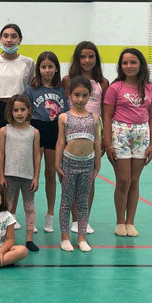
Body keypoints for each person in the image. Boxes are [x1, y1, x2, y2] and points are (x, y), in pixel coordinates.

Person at [103, 48, 152, 238]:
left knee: (134, 180)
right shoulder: (115, 88)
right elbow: (106, 116)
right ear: (120, 66)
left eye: (133, 62)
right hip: (121, 133)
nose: (129, 66)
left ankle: (130, 222)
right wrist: (108, 143)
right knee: (123, 180)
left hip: (141, 135)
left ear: (140, 64)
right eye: (125, 63)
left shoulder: (149, 88)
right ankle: (120, 221)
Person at [61, 41, 109, 234]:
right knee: (71, 180)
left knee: (89, 179)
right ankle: (74, 219)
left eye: (91, 56)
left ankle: (84, 218)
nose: (87, 60)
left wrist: (105, 138)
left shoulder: (102, 82)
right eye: (83, 57)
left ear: (96, 59)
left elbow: (105, 112)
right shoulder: (68, 79)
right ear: (77, 59)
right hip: (71, 135)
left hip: (92, 136)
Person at [56, 76, 101, 252]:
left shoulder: (94, 118)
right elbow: (60, 142)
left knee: (83, 201)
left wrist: (97, 164)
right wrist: (57, 164)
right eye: (76, 95)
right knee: (66, 201)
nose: (80, 99)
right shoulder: (64, 117)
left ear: (90, 96)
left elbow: (97, 142)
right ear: (69, 95)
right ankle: (64, 237)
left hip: (87, 163)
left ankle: (82, 237)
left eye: (84, 95)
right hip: (69, 163)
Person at [24, 51, 67, 233]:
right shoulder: (31, 89)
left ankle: (50, 214)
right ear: (38, 69)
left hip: (55, 130)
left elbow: (66, 113)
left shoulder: (61, 89)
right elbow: (24, 112)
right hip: (36, 129)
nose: (47, 70)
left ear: (56, 69)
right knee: (32, 173)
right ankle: (30, 215)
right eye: (43, 67)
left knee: (51, 173)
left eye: (50, 67)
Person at [0, 95, 41, 252]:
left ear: (29, 110)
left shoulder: (34, 132)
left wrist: (36, 177)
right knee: (7, 208)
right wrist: (1, 175)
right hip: (9, 175)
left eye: (23, 109)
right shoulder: (4, 130)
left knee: (29, 207)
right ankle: (8, 238)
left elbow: (37, 155)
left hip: (28, 176)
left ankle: (29, 239)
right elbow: (1, 153)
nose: (19, 113)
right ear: (11, 112)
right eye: (16, 110)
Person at [0, 24, 34, 149]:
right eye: (5, 36)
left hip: (20, 109)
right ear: (0, 39)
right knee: (1, 152)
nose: (9, 40)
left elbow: (32, 89)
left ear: (20, 40)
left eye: (13, 36)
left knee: (20, 150)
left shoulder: (29, 62)